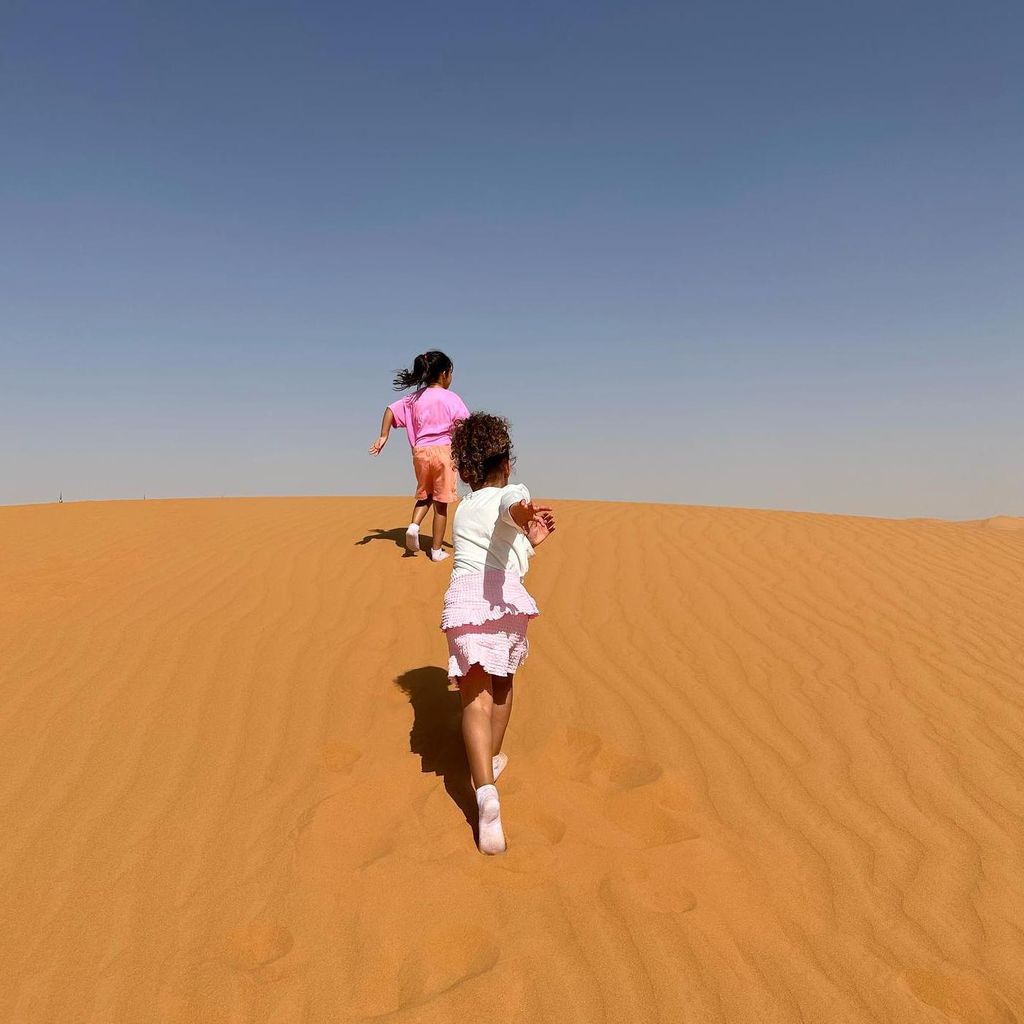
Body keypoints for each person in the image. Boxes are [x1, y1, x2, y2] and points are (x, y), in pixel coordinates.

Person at [442, 412, 556, 854]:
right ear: (505, 461)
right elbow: (512, 511)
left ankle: (485, 791)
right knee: (503, 686)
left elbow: (497, 544)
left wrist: (529, 537)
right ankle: (486, 766)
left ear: (467, 469)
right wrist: (527, 516)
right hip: (506, 602)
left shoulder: (466, 507)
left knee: (475, 696)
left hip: (467, 600)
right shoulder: (512, 493)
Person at [368, 350, 470, 561]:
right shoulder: (451, 398)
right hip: (444, 452)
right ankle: (435, 550)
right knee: (441, 503)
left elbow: (390, 410)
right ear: (443, 374)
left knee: (425, 494)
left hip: (420, 453)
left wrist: (383, 436)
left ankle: (414, 526)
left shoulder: (413, 399)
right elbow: (466, 426)